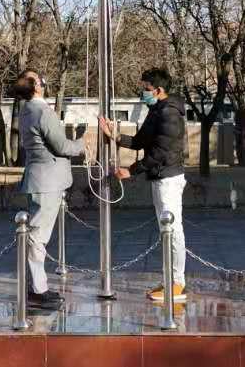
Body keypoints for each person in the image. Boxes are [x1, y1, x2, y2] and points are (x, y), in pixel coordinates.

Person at [99, 66, 188, 303]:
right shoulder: (157, 110)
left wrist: (132, 170)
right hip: (161, 176)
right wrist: (114, 135)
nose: (143, 92)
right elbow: (140, 142)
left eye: (146, 88)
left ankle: (178, 283)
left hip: (167, 177)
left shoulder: (168, 113)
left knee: (172, 229)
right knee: (166, 229)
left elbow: (160, 151)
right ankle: (172, 280)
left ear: (158, 90)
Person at [15, 69, 87, 312]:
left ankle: (36, 285)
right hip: (47, 181)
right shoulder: (42, 111)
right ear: (36, 86)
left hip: (39, 178)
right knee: (37, 237)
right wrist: (82, 143)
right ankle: (38, 289)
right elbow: (62, 146)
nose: (44, 80)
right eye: (39, 78)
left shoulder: (26, 111)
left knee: (36, 235)